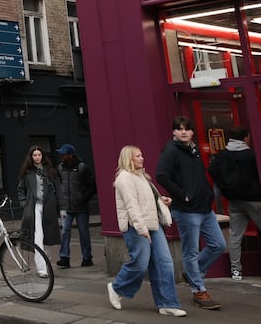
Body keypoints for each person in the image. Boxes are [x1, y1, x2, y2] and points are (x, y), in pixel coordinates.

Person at [109, 145, 187, 317]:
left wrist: (161, 200)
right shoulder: (124, 178)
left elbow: (147, 200)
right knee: (140, 263)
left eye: (141, 155)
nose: (142, 158)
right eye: (138, 155)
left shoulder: (143, 177)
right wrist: (141, 228)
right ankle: (117, 287)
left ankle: (168, 303)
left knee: (165, 263)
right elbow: (132, 206)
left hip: (154, 224)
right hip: (136, 227)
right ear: (129, 158)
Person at [157, 116, 226, 310]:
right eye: (179, 129)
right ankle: (198, 290)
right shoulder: (171, 151)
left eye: (186, 129)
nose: (183, 132)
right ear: (173, 132)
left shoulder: (193, 150)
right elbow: (161, 175)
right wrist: (182, 195)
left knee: (218, 245)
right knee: (191, 251)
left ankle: (194, 272)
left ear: (192, 131)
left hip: (204, 207)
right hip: (187, 210)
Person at [207, 127, 261, 280]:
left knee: (235, 236)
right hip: (255, 199)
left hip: (234, 199)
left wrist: (224, 185)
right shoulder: (251, 155)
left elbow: (211, 169)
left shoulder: (223, 154)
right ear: (246, 138)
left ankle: (236, 270)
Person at [16, 145, 60, 277]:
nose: (37, 157)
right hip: (34, 208)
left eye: (39, 155)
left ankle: (46, 263)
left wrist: (62, 207)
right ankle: (42, 269)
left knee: (47, 239)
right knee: (37, 238)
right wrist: (24, 203)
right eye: (34, 155)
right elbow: (20, 190)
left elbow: (58, 189)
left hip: (49, 208)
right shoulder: (27, 172)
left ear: (43, 156)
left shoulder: (50, 171)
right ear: (31, 157)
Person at [56, 143, 97, 268]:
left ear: (70, 155)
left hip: (81, 207)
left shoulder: (83, 167)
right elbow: (59, 186)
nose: (61, 156)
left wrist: (83, 199)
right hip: (66, 207)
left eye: (64, 154)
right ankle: (64, 257)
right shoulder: (60, 168)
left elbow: (92, 186)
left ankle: (87, 258)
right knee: (65, 232)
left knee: (84, 233)